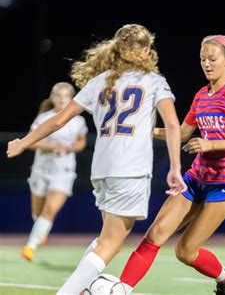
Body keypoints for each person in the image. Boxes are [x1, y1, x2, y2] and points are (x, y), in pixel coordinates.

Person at [7, 24, 186, 295]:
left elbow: (57, 121)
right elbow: (173, 125)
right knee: (111, 243)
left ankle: (79, 289)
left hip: (102, 170)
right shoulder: (153, 81)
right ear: (148, 50)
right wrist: (175, 167)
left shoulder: (99, 81)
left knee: (105, 238)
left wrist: (23, 142)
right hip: (131, 170)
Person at [118, 34, 225, 295]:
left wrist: (209, 144)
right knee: (154, 235)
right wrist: (143, 129)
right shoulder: (202, 95)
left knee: (185, 251)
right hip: (195, 179)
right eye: (202, 59)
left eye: (212, 59)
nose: (207, 64)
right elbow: (180, 133)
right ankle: (119, 290)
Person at [21, 82, 88, 262]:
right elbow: (30, 141)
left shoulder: (78, 120)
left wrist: (72, 147)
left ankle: (30, 246)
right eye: (58, 95)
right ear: (52, 97)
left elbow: (81, 143)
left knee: (50, 210)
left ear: (71, 99)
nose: (61, 99)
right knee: (38, 210)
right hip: (41, 168)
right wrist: (52, 146)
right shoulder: (44, 118)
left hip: (64, 171)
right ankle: (40, 230)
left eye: (65, 96)